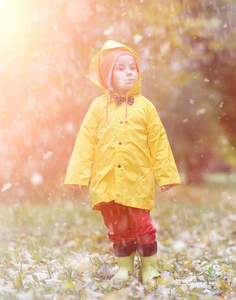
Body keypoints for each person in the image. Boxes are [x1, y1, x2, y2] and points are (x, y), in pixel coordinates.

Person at [64, 40, 181, 284]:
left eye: (133, 68)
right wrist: (78, 175)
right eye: (121, 68)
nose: (129, 72)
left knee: (141, 224)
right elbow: (85, 142)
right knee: (117, 226)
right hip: (106, 180)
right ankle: (124, 267)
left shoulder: (146, 107)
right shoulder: (97, 107)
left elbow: (159, 143)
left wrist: (166, 175)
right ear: (108, 75)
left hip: (136, 180)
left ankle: (149, 267)